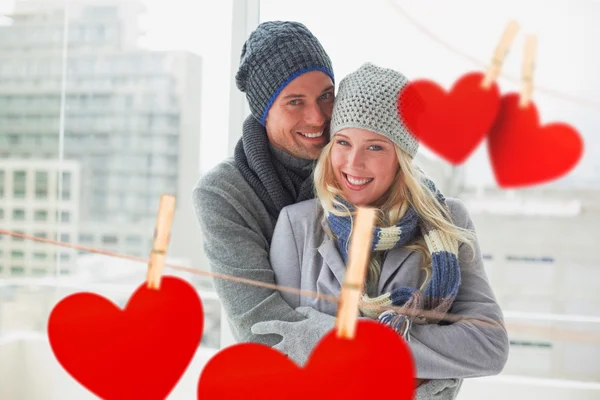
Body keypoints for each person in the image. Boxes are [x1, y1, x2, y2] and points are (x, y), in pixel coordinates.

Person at [251, 63, 510, 399]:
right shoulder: (298, 226)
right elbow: (282, 353)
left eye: (375, 147)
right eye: (343, 142)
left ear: (400, 157)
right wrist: (425, 367)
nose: (353, 164)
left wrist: (341, 342)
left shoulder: (448, 220)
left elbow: (489, 345)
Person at [193, 20, 338, 347]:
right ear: (264, 112)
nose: (317, 117)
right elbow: (264, 328)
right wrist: (380, 359)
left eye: (326, 95)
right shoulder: (224, 193)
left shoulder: (361, 171)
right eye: (295, 101)